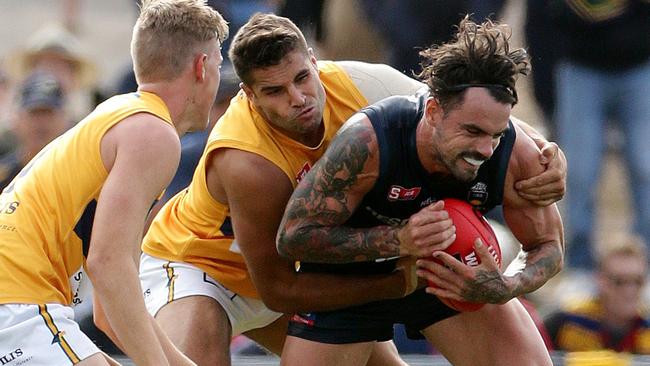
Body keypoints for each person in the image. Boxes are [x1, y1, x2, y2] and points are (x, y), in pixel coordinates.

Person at [139, 13, 567, 365]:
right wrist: (396, 276)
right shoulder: (248, 162)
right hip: (204, 266)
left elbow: (461, 108)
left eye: (303, 78)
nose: (298, 99)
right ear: (248, 95)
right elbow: (277, 286)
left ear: (313, 60)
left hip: (318, 263)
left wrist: (539, 149)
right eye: (274, 91)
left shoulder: (365, 83)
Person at [277, 16, 565, 366]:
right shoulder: (368, 142)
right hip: (351, 280)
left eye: (496, 134)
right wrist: (399, 240)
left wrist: (506, 284)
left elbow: (548, 247)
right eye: (472, 131)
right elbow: (293, 237)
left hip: (446, 278)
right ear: (432, 112)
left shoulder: (519, 155)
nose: (485, 149)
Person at [0, 0, 228, 364]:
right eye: (218, 64)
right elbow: (108, 263)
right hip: (18, 300)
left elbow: (109, 312)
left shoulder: (123, 116)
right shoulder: (153, 133)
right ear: (202, 67)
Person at [549, 0, 650, 271]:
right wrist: (546, 97)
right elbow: (542, 16)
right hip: (580, 66)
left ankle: (643, 265)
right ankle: (580, 264)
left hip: (641, 64)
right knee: (579, 172)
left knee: (646, 167)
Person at [544, 232, 650, 354]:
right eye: (619, 281)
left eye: (638, 281)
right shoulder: (568, 322)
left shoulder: (647, 328)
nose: (630, 290)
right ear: (600, 280)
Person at [0, 72, 71, 190]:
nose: (41, 123)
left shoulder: (80, 175)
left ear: (64, 119)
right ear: (18, 119)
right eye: (34, 113)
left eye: (48, 113)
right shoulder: (4, 175)